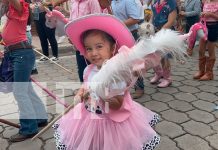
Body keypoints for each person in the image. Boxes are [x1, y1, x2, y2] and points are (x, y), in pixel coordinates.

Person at [53, 14, 160, 150]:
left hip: (111, 121)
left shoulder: (117, 74)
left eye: (99, 46)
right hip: (89, 117)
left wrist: (101, 94)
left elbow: (117, 104)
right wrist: (79, 94)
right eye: (89, 48)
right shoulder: (89, 69)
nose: (93, 53)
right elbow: (85, 85)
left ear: (112, 47)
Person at [1, 0, 48, 142]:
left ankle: (29, 128)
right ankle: (40, 118)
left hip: (21, 53)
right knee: (26, 89)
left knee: (20, 91)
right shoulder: (9, 12)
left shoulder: (21, 7)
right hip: (15, 53)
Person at [52, 0, 104, 82]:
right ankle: (85, 91)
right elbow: (72, 20)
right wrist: (70, 35)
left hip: (90, 44)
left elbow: (97, 21)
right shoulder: (74, 2)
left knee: (95, 72)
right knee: (82, 73)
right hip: (77, 44)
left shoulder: (92, 1)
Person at [110, 0, 145, 99]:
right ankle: (125, 87)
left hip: (131, 34)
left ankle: (140, 88)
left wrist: (117, 24)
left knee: (134, 62)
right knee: (122, 63)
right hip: (119, 34)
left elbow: (135, 18)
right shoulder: (113, 2)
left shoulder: (128, 1)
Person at [149, 0, 177, 87]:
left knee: (164, 57)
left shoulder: (171, 2)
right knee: (154, 55)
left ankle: (167, 78)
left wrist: (160, 32)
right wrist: (149, 26)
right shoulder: (155, 1)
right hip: (155, 32)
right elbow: (152, 16)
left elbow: (171, 21)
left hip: (165, 33)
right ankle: (158, 74)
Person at [193, 0, 218, 80]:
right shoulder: (205, 2)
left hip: (213, 27)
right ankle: (201, 71)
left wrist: (211, 14)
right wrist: (202, 15)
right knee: (201, 50)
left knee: (211, 50)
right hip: (204, 26)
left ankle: (209, 73)